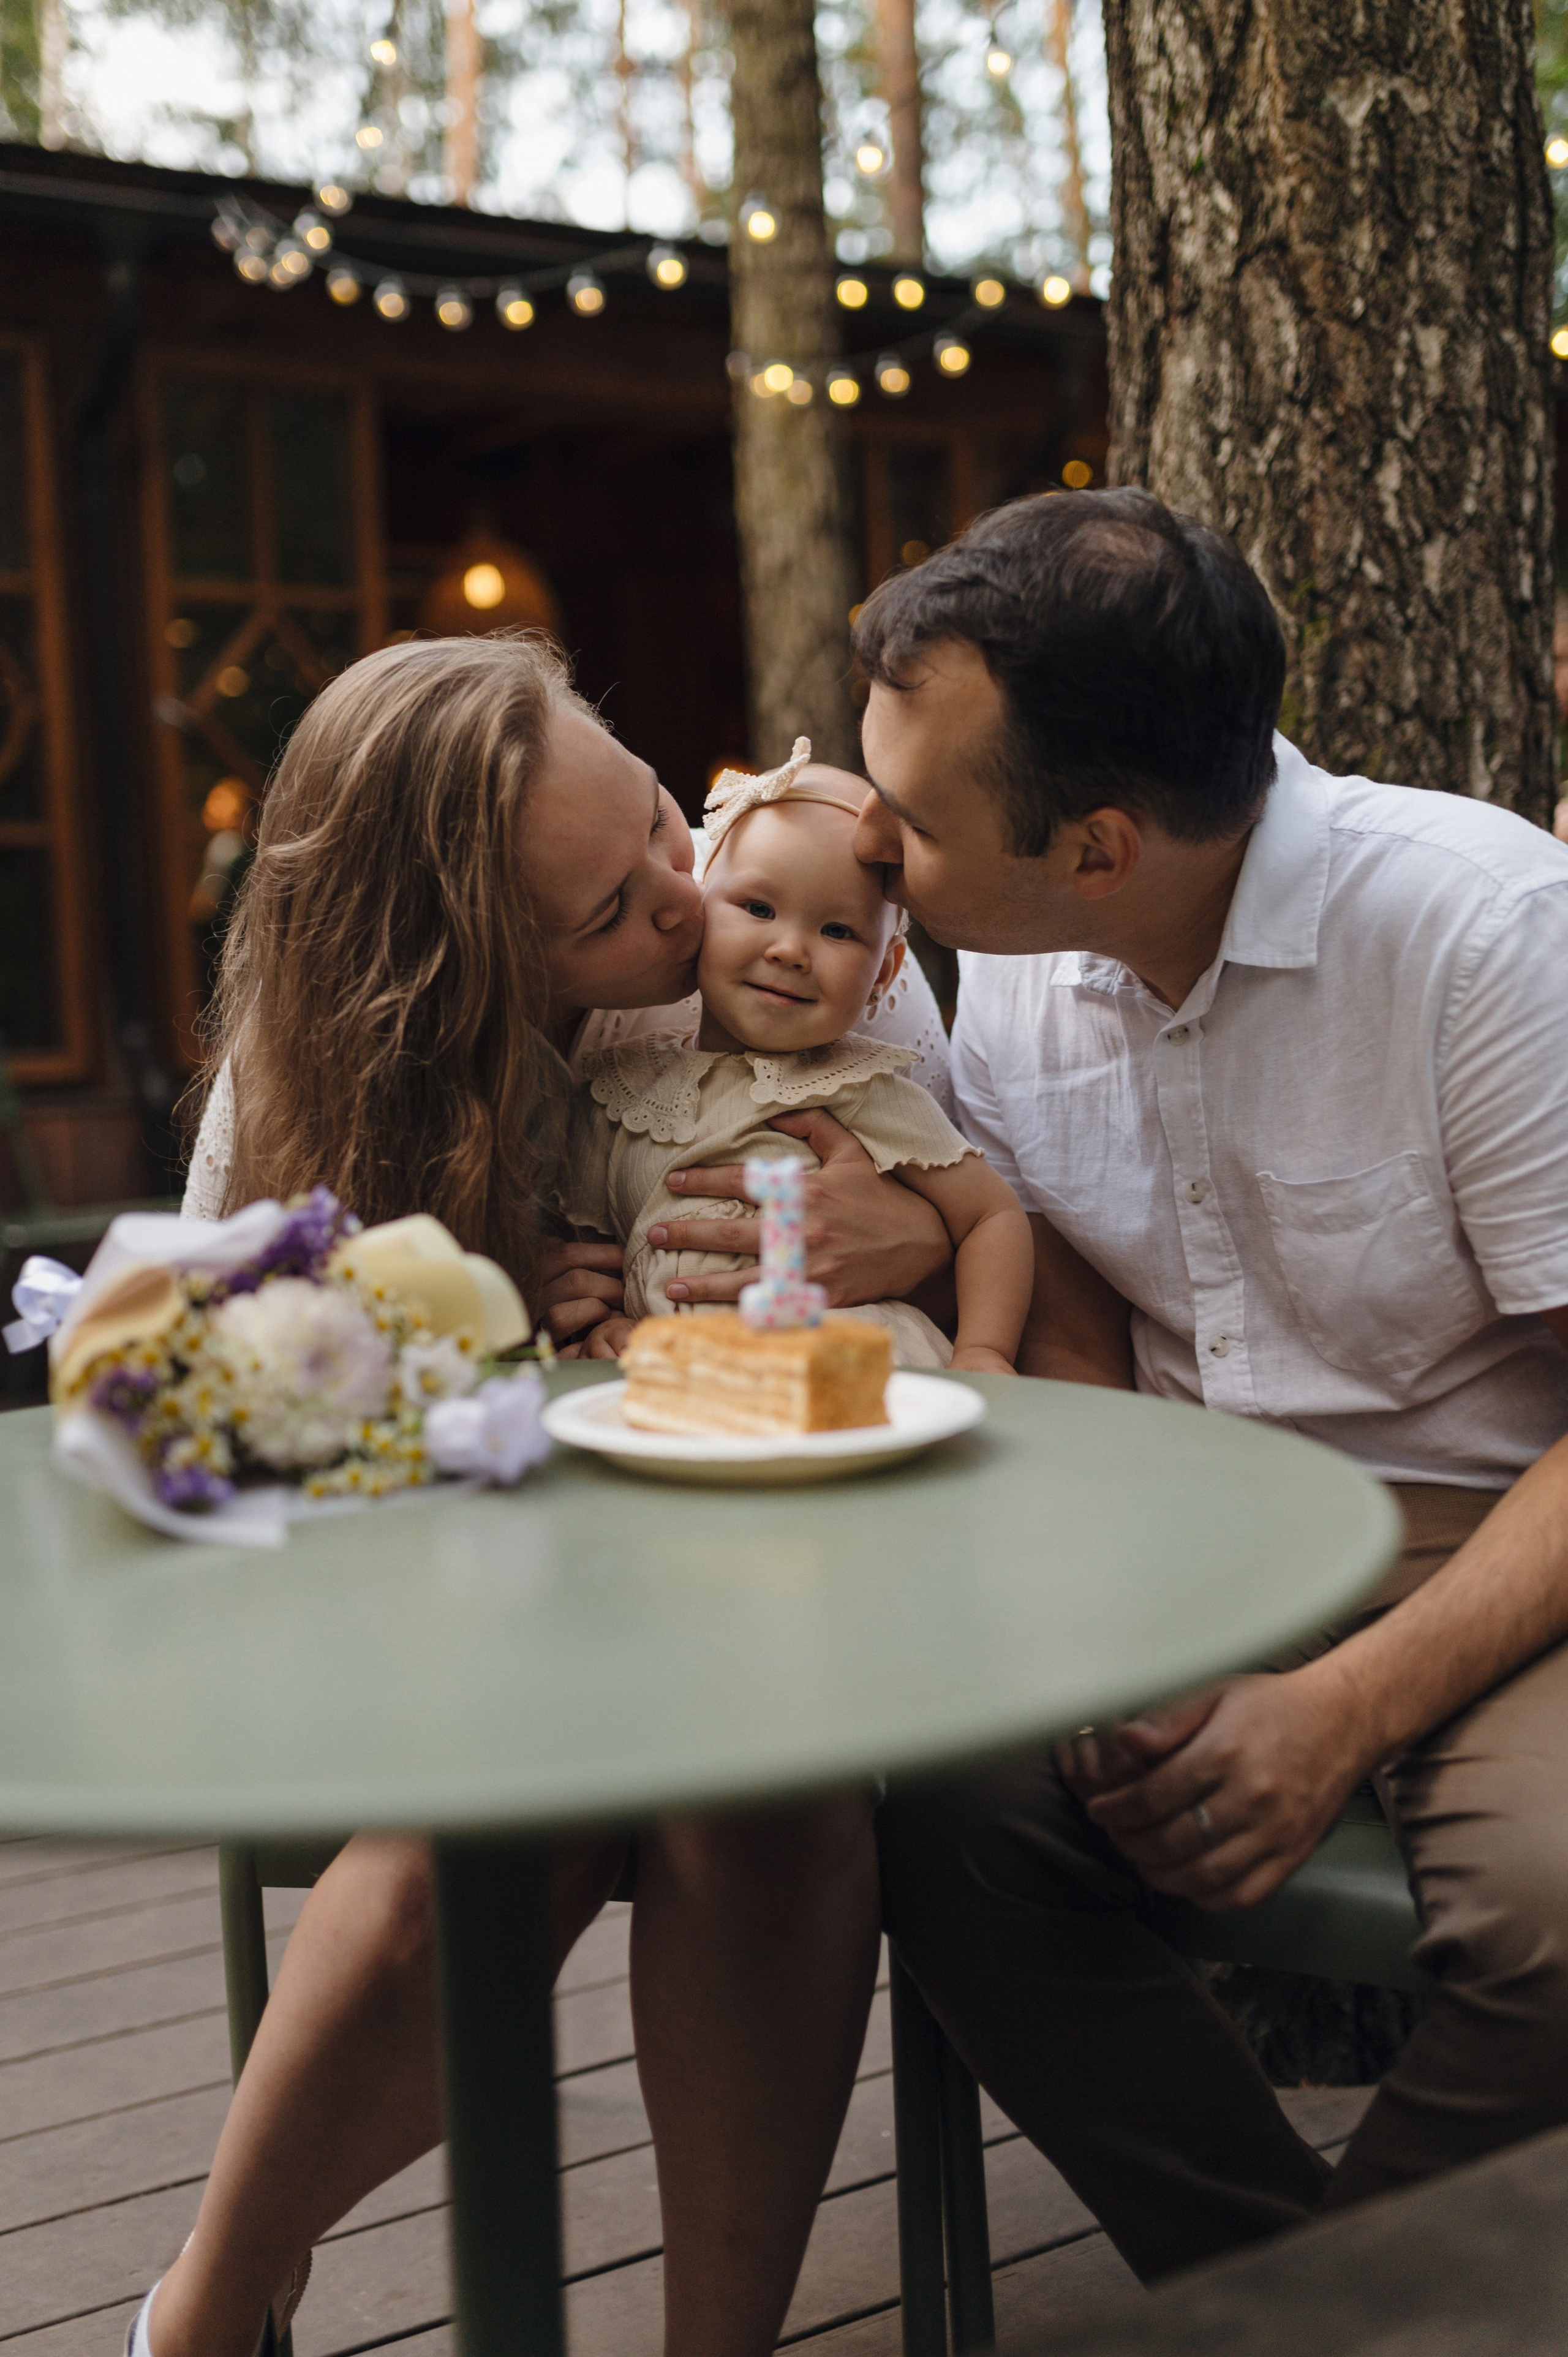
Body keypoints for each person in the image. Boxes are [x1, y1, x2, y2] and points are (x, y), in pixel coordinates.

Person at [147, 632, 956, 2357]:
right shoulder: (314, 1079)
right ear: (462, 971)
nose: (689, 904)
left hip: (757, 1577)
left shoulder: (772, 920)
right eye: (607, 914)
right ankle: (210, 2313)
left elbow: (942, 1205)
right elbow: (225, 1425)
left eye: (663, 819)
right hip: (444, 1603)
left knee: (767, 1797)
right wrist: (468, 1318)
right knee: (496, 1825)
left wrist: (918, 1226)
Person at [841, 488, 1568, 2280]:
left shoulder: (1486, 935)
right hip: (1190, 1531)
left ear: (1096, 845)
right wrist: (1131, 1610)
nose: (869, 839)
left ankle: (1305, 2321)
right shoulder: (1010, 965)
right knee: (941, 1817)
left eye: (915, 819)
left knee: (1562, 1912)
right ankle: (1279, 2285)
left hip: (1504, 1550)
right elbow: (1080, 1294)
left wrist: (1334, 1707)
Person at [566, 737, 1032, 1374]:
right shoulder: (620, 1087)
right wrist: (614, 1317)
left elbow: (992, 1214)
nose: (789, 949)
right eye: (758, 908)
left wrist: (984, 1349)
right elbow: (593, 1247)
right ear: (703, 904)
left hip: (854, 1368)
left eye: (838, 930)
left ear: (883, 973)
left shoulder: (855, 1088)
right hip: (693, 1384)